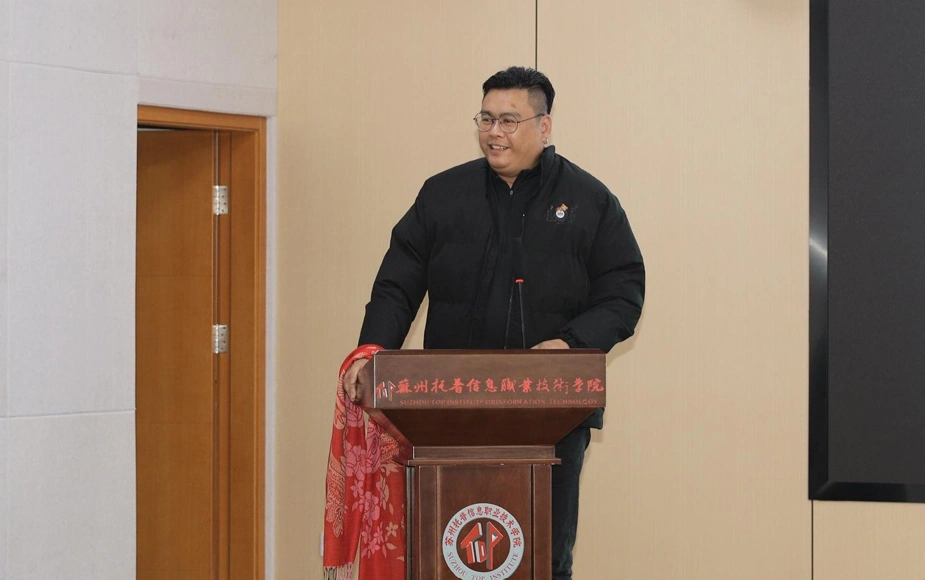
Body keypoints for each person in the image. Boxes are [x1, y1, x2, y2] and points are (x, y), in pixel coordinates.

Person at [342, 66, 645, 580]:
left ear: (544, 127)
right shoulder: (443, 195)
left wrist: (570, 344)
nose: (494, 132)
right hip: (448, 408)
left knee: (545, 557)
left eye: (509, 120)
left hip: (551, 412)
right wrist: (371, 348)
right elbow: (397, 283)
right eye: (486, 119)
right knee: (445, 555)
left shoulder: (589, 200)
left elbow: (623, 291)